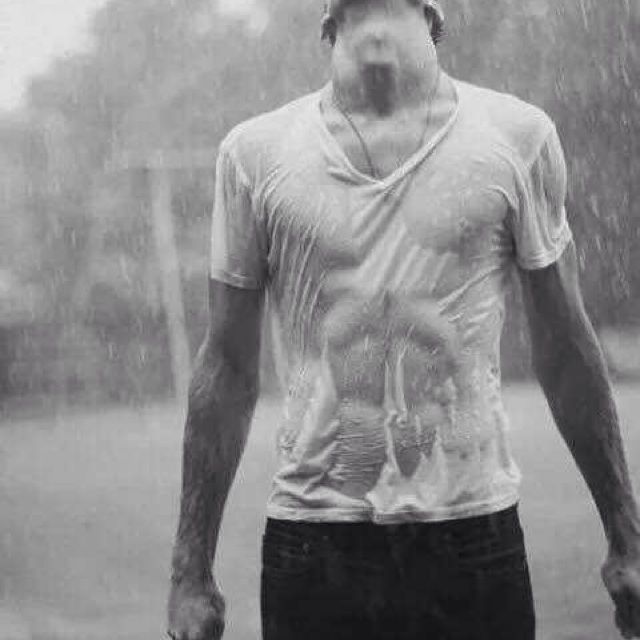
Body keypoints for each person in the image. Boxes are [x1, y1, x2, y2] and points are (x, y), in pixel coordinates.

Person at [167, 1, 640, 638]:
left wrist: (626, 535)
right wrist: (190, 573)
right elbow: (226, 366)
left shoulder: (517, 135)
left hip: (474, 540)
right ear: (326, 21)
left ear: (433, 9)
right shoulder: (254, 152)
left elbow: (565, 349)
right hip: (313, 546)